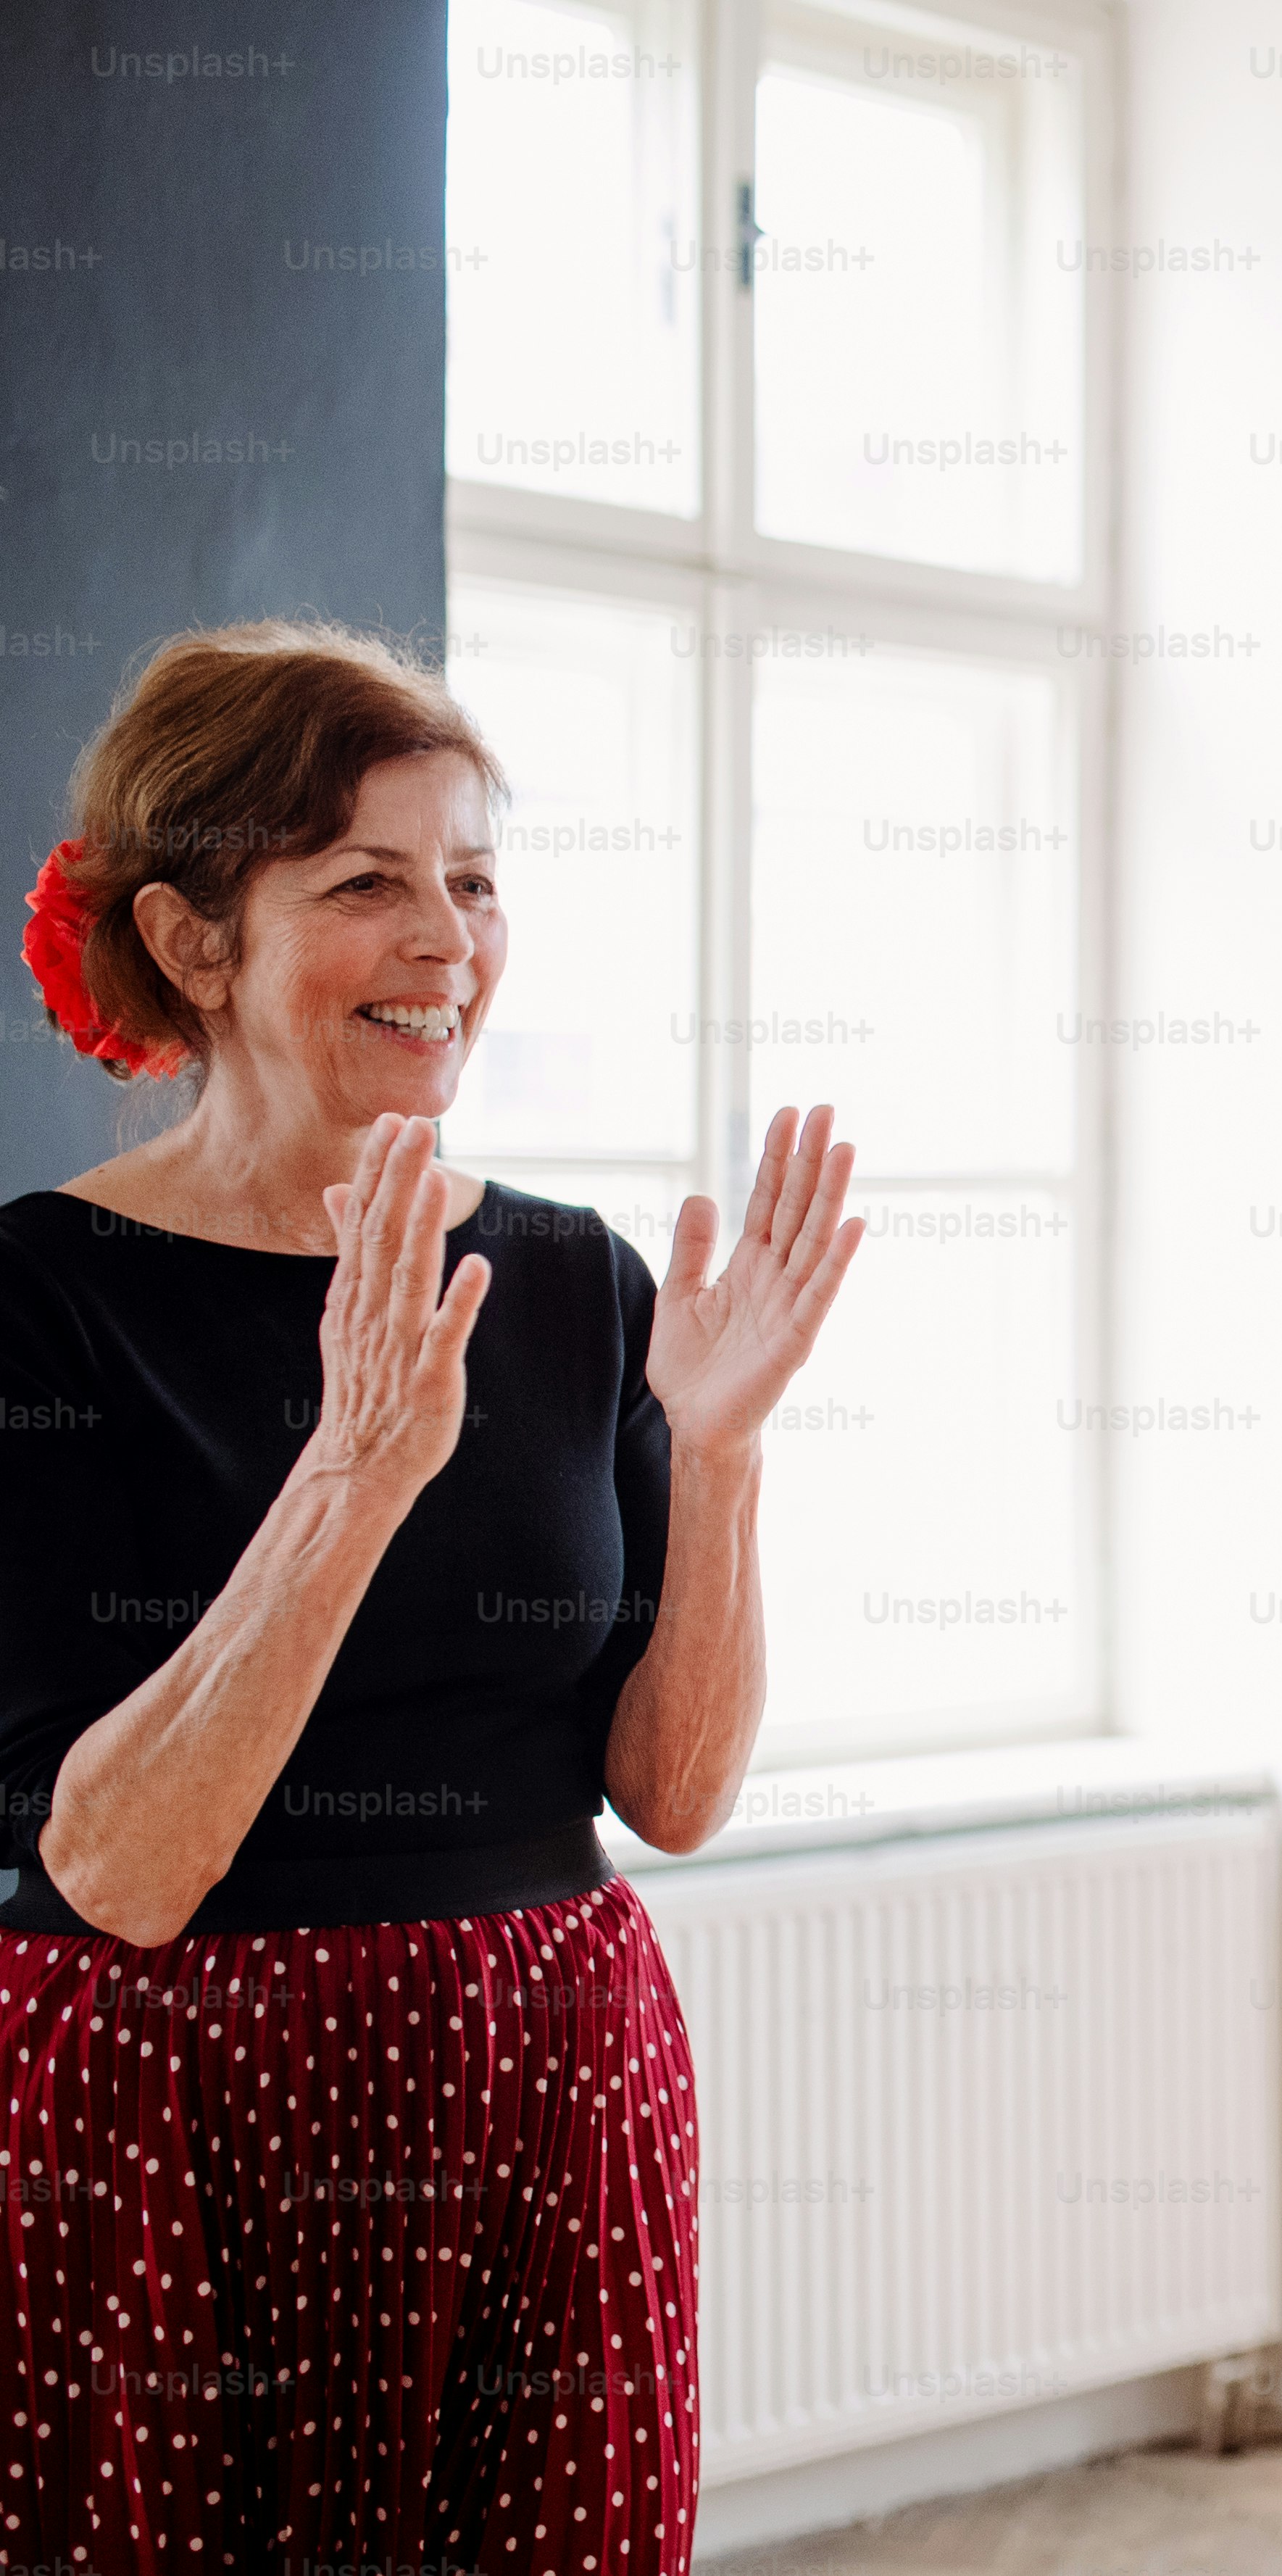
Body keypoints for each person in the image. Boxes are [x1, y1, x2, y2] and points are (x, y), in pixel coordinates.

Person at [0, 625, 861, 2572]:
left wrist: (719, 1458)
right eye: (368, 883)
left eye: (472, 881)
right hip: (171, 2126)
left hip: (547, 2076)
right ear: (196, 937)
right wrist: (354, 1474)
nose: (446, 941)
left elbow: (678, 1792)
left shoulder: (579, 1281)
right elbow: (117, 1867)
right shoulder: (41, 1298)